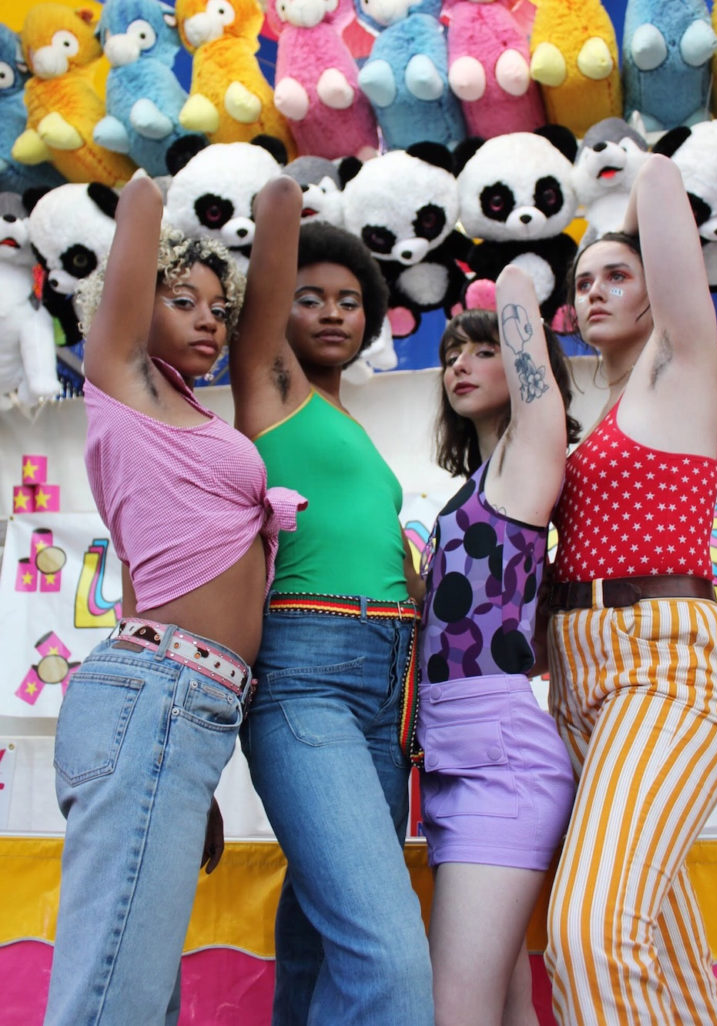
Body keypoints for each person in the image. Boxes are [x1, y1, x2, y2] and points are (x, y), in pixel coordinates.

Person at [43, 175, 304, 1026]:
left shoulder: (189, 414)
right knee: (112, 996)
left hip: (180, 713)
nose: (208, 321)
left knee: (140, 995)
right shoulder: (123, 384)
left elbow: (279, 210)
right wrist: (181, 181)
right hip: (155, 696)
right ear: (129, 304)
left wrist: (184, 769)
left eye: (218, 309)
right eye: (181, 300)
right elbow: (142, 197)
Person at [544, 153, 717, 1025]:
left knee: (589, 935)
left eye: (617, 275)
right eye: (583, 282)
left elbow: (661, 191)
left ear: (655, 291)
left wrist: (624, 201)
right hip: (579, 676)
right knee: (659, 945)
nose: (595, 291)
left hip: (663, 665)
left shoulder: (680, 367)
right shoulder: (592, 421)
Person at [229, 177, 434, 1026]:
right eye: (308, 297)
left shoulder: (355, 431)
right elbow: (277, 217)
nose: (332, 313)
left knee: (322, 934)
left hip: (391, 681)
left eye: (351, 301)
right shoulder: (271, 390)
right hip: (307, 670)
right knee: (389, 952)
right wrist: (305, 190)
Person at [417, 267, 578, 1026]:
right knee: (504, 1010)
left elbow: (522, 312)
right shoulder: (475, 484)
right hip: (451, 756)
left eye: (483, 351)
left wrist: (501, 286)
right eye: (451, 353)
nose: (460, 364)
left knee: (455, 1010)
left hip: (498, 758)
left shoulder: (530, 456)